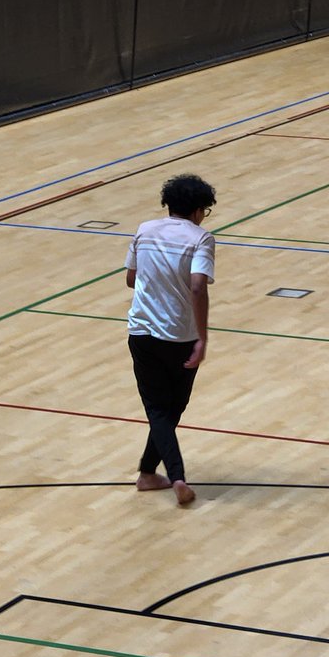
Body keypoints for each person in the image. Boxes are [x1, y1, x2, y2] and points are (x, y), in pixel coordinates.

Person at [125, 174, 217, 505]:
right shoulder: (201, 238)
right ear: (198, 210)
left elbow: (131, 279)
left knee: (161, 409)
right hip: (180, 336)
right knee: (169, 408)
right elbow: (197, 286)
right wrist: (202, 338)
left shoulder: (144, 229)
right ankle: (177, 477)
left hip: (141, 333)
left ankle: (148, 474)